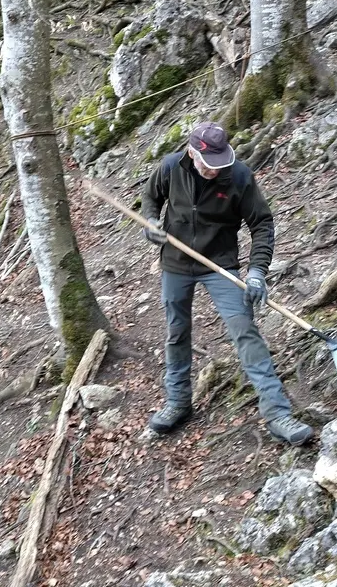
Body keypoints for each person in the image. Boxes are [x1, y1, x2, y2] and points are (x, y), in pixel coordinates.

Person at [139, 121, 313, 446]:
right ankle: (178, 403)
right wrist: (150, 222)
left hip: (220, 266)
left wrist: (257, 270)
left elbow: (262, 223)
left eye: (219, 163)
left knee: (245, 331)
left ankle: (278, 415)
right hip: (175, 264)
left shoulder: (239, 176)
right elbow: (150, 199)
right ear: (192, 152)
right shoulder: (169, 167)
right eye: (208, 164)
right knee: (177, 333)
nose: (213, 171)